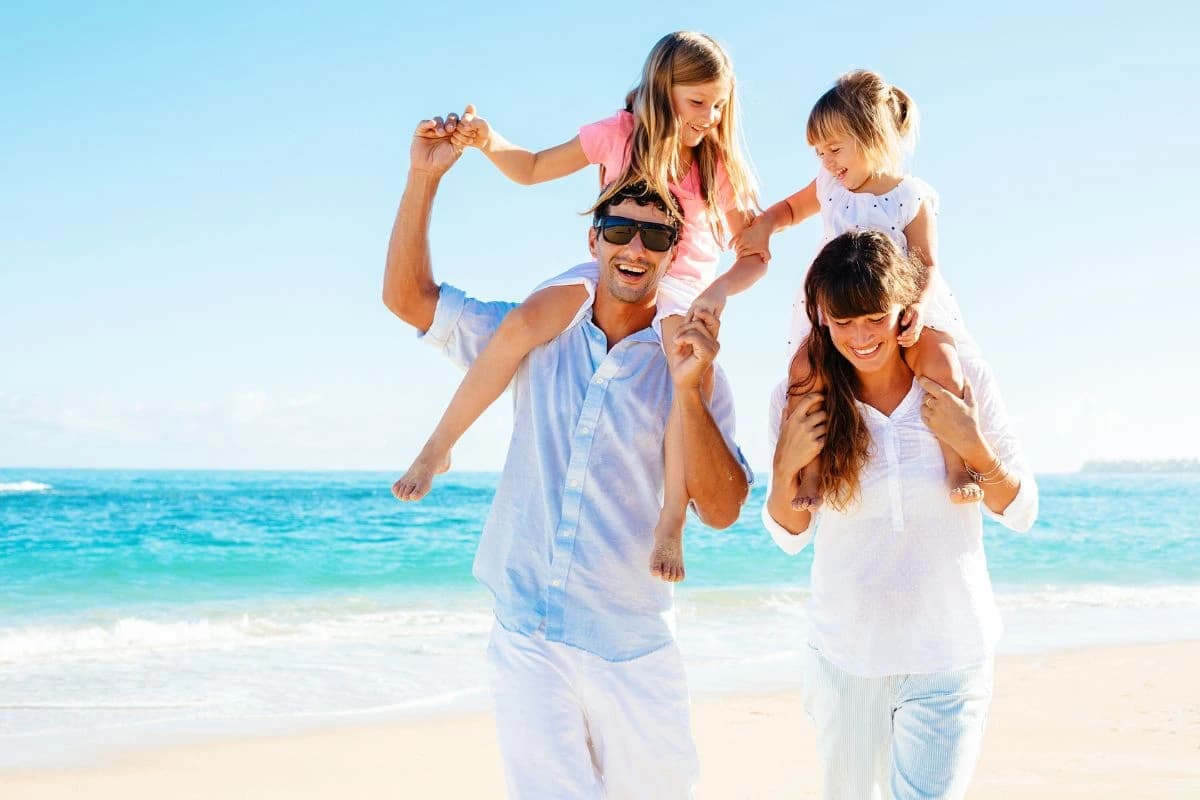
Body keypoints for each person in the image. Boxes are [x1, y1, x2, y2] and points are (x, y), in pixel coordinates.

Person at [383, 113, 752, 798]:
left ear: (675, 253)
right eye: (619, 231)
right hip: (527, 633)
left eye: (655, 235)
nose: (634, 249)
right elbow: (408, 300)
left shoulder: (690, 359)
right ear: (594, 240)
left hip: (631, 650)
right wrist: (424, 180)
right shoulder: (535, 330)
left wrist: (691, 391)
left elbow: (725, 510)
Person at [393, 30, 760, 585]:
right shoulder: (618, 135)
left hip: (681, 287)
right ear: (663, 90)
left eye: (719, 104)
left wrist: (717, 292)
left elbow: (755, 255)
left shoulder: (716, 166)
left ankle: (670, 523)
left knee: (688, 382)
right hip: (610, 271)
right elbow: (535, 167)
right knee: (521, 323)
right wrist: (489, 141)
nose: (709, 116)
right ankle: (436, 449)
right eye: (697, 102)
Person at [762, 230, 1038, 799]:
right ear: (822, 319)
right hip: (845, 661)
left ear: (904, 310)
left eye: (873, 318)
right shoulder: (802, 398)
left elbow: (1021, 510)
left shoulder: (964, 381)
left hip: (949, 657)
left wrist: (974, 446)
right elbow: (789, 535)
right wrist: (785, 466)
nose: (860, 337)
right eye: (843, 322)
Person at [689, 69, 979, 511]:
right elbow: (788, 209)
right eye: (819, 152)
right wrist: (765, 225)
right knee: (805, 376)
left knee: (943, 365)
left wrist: (918, 308)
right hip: (835, 309)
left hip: (898, 309)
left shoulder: (909, 196)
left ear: (872, 136)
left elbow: (928, 263)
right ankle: (811, 472)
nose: (826, 161)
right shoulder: (829, 186)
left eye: (835, 149)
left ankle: (958, 464)